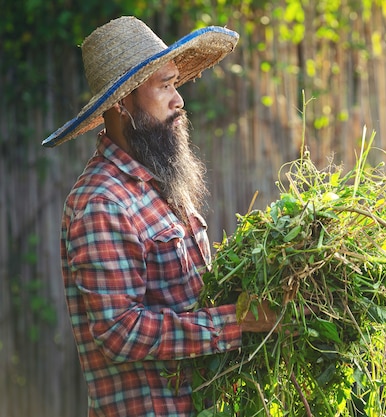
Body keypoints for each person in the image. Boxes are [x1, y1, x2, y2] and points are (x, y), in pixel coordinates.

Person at [43, 16, 278, 417]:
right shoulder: (102, 202)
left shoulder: (159, 185)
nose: (179, 100)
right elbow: (120, 330)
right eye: (165, 86)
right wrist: (238, 323)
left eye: (176, 84)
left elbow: (191, 296)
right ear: (121, 101)